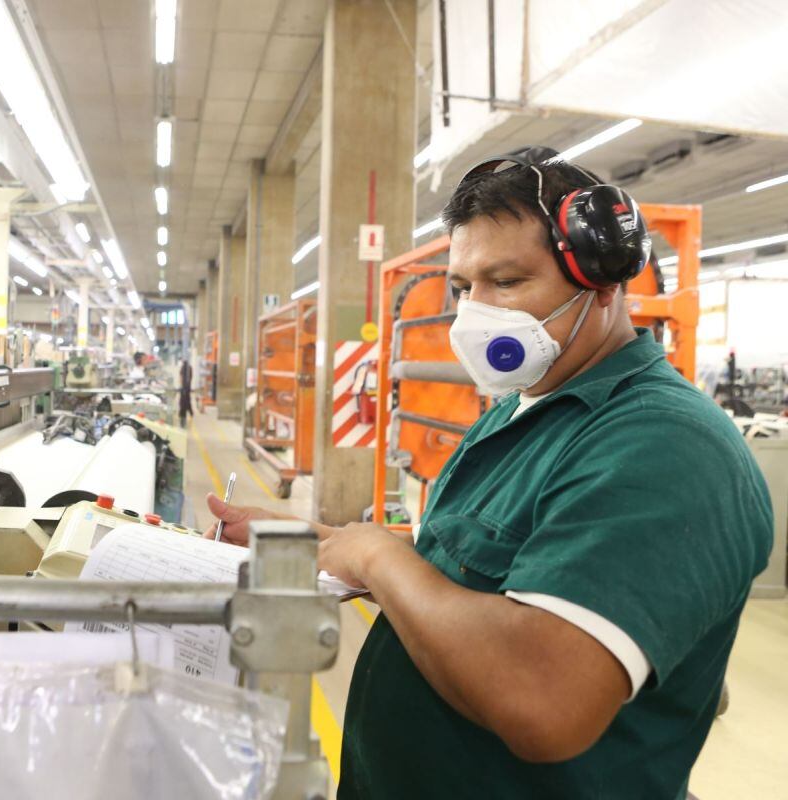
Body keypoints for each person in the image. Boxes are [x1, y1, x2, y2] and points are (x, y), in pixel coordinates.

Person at [206, 147, 773, 799]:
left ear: (606, 283)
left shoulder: (663, 444)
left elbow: (544, 700)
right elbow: (463, 561)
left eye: (505, 282)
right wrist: (302, 541)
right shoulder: (527, 406)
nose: (473, 315)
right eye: (461, 288)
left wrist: (375, 559)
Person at [179, 358, 193, 427]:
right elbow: (191, 378)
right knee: (188, 401)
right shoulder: (190, 368)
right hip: (188, 388)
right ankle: (190, 412)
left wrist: (181, 385)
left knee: (182, 403)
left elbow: (181, 377)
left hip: (184, 388)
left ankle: (183, 418)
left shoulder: (182, 368)